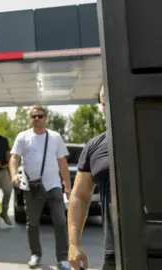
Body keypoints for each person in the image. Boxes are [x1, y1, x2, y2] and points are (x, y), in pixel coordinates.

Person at [9, 105, 72, 270]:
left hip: (53, 186)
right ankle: (35, 254)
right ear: (30, 119)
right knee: (33, 222)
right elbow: (14, 158)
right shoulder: (23, 137)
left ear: (46, 118)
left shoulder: (55, 137)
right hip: (32, 187)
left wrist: (67, 186)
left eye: (40, 116)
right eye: (34, 116)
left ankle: (63, 258)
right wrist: (14, 174)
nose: (37, 119)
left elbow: (62, 163)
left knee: (60, 221)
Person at [68, 86, 115, 270]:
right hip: (114, 253)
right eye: (104, 101)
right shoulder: (94, 147)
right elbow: (80, 195)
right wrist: (74, 243)